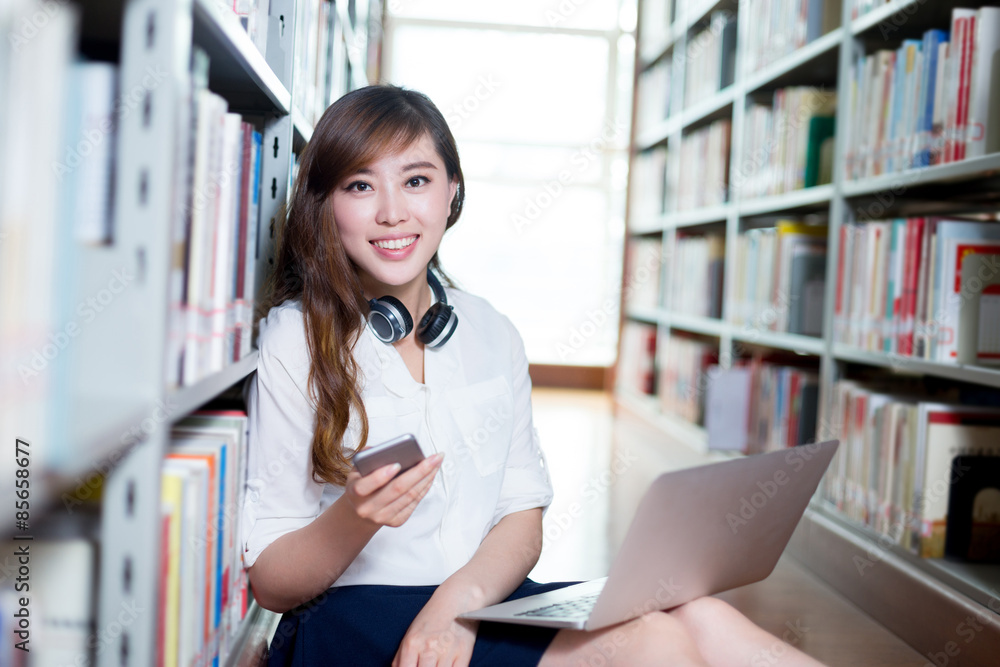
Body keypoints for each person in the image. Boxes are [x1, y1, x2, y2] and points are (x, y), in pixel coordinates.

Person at [241, 84, 826, 667]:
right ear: (326, 204)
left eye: (416, 180)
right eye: (360, 186)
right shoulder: (297, 338)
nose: (392, 210)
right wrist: (355, 518)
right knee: (656, 644)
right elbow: (272, 580)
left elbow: (522, 515)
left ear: (452, 193)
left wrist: (458, 606)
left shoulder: (491, 330)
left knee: (705, 617)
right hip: (355, 617)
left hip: (479, 598)